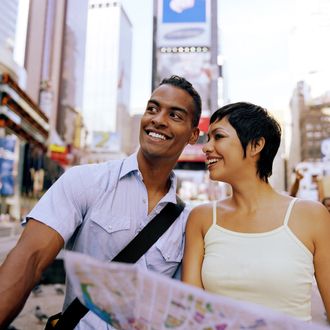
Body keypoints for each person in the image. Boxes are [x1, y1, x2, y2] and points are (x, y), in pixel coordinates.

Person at [0, 75, 201, 329]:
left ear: (193, 135)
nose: (158, 120)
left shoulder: (188, 223)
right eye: (152, 108)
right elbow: (30, 259)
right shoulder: (84, 181)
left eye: (175, 115)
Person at [182, 102, 330, 322]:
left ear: (256, 145)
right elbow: (191, 314)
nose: (206, 147)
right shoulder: (201, 219)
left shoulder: (312, 216)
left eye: (218, 137)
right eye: (207, 138)